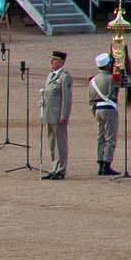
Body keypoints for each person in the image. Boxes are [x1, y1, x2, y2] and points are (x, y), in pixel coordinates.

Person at [40, 49, 73, 180]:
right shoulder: (50, 75)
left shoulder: (65, 77)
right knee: (52, 143)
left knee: (60, 143)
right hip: (49, 114)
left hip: (58, 115)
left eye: (54, 60)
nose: (51, 62)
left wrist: (64, 115)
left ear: (61, 62)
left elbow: (67, 98)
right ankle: (54, 167)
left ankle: (61, 169)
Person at [89, 52, 120, 176]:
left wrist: (94, 111)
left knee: (100, 137)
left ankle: (100, 161)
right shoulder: (112, 78)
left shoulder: (93, 80)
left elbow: (90, 99)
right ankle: (107, 163)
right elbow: (123, 82)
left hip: (97, 109)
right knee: (110, 137)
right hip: (109, 108)